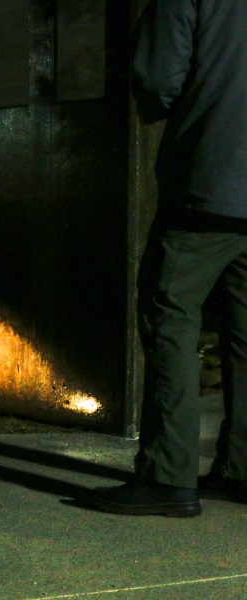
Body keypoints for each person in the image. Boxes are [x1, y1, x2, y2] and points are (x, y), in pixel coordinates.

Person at [91, 1, 247, 516]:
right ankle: (241, 469)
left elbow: (158, 79)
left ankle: (167, 476)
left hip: (212, 181)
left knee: (170, 315)